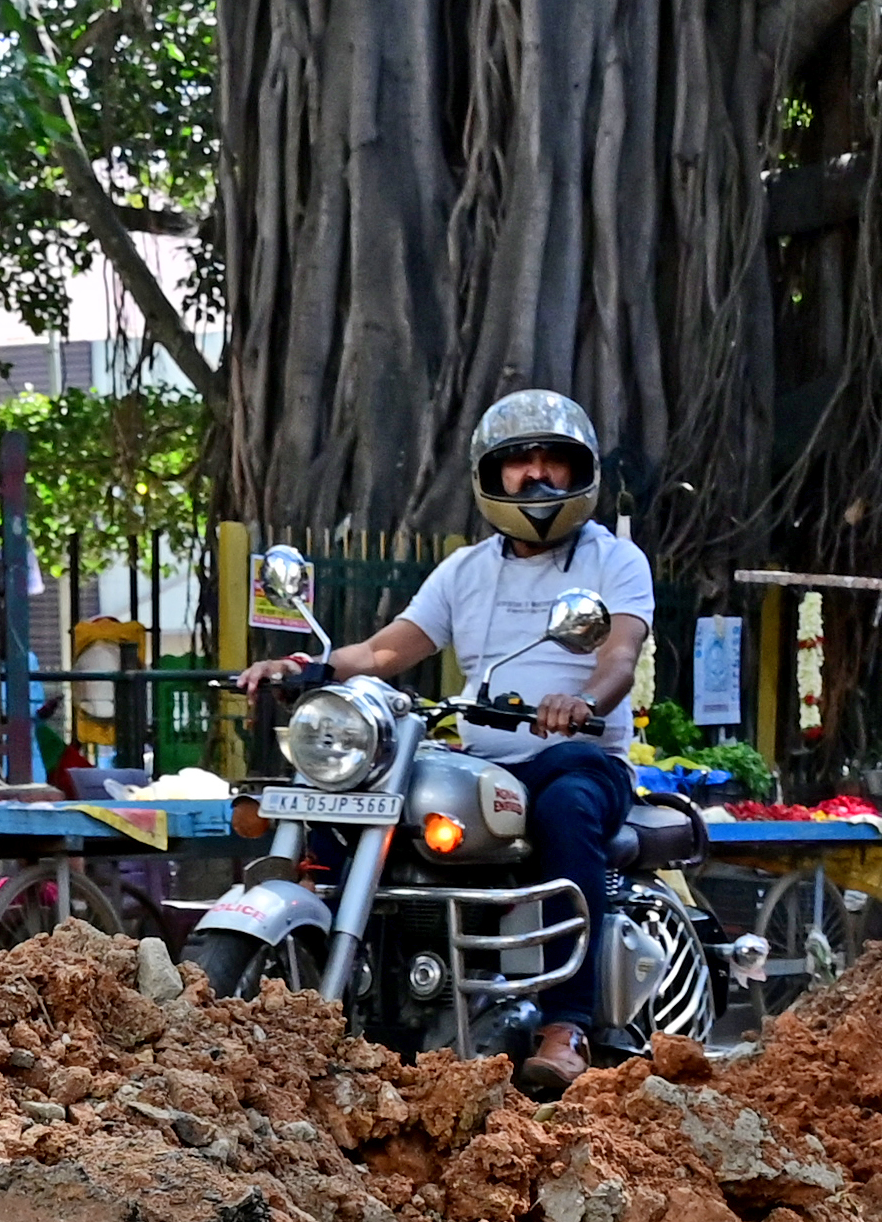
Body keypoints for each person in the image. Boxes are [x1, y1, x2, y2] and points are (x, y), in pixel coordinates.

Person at [235, 388, 651, 1096]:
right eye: (519, 462)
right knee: (352, 809)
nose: (537, 476)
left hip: (577, 758)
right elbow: (386, 651)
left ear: (581, 472)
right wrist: (307, 668)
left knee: (568, 811)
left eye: (554, 459)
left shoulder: (613, 560)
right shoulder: (466, 569)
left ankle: (566, 1022)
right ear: (491, 478)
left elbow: (618, 655)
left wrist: (581, 702)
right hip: (487, 765)